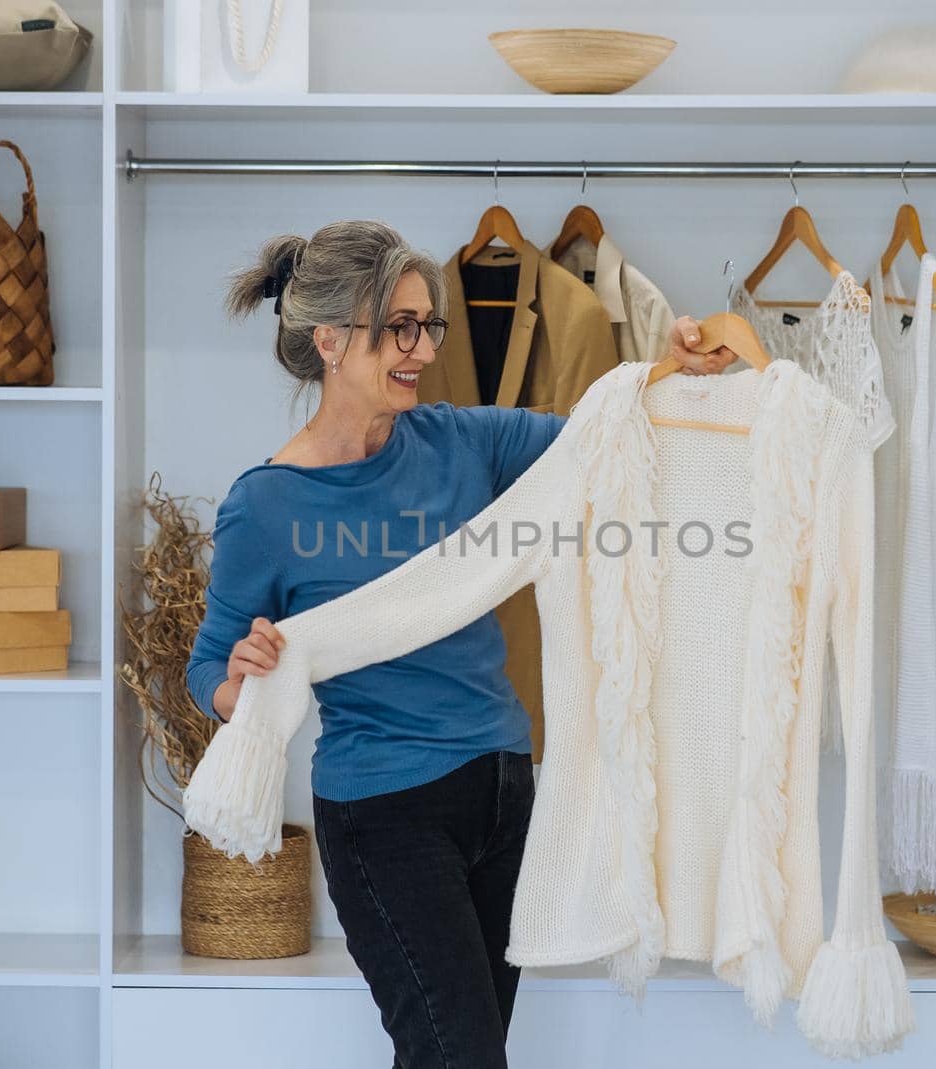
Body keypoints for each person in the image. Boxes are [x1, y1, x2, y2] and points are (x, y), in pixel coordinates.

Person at [186, 220, 734, 1068]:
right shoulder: (265, 505)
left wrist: (678, 368)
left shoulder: (461, 442)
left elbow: (606, 437)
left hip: (506, 795)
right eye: (397, 327)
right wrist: (242, 678)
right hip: (387, 814)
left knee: (455, 1056)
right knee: (461, 1058)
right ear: (329, 339)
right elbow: (209, 670)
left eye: (426, 324)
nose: (420, 348)